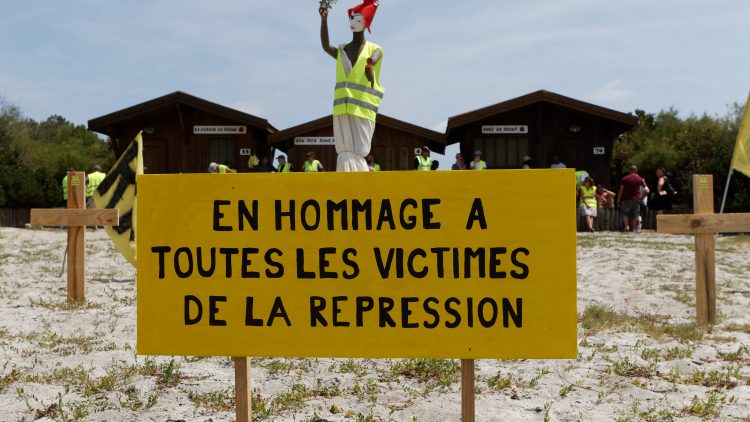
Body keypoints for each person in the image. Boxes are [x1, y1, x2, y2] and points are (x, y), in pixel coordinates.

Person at [320, 0, 384, 172]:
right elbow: (326, 47)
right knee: (344, 149)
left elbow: (374, 60)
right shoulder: (342, 50)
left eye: (359, 20)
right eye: (352, 19)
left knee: (359, 150)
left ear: (366, 23)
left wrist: (369, 67)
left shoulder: (375, 48)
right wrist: (324, 19)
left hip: (363, 111)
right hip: (342, 109)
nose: (353, 23)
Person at [617, 165, 648, 232]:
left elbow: (621, 190)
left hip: (627, 198)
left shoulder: (625, 178)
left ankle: (626, 226)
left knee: (625, 213)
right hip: (637, 199)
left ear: (630, 170)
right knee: (635, 214)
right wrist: (641, 198)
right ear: (636, 171)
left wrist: (619, 199)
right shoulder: (640, 179)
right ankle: (634, 229)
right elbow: (647, 190)